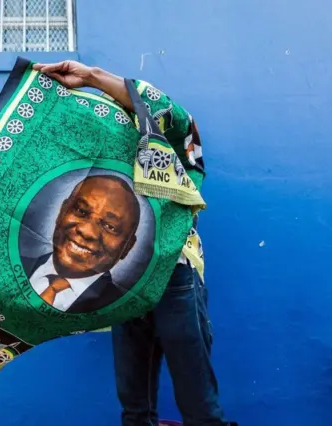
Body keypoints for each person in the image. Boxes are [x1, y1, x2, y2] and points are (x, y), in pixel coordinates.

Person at [32, 60, 237, 426]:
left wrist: (93, 76)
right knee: (135, 408)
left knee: (199, 405)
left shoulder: (169, 142)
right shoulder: (103, 161)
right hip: (127, 285)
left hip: (175, 274)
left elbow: (173, 115)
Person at [23, 175, 141, 313]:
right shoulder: (3, 266)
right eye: (81, 211)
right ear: (62, 212)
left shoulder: (122, 310)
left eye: (110, 226)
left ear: (127, 247)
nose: (87, 231)